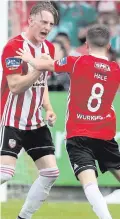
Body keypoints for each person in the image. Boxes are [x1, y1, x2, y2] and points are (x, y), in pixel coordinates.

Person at [16, 24, 120, 219]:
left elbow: (44, 66)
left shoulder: (77, 62)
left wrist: (30, 58)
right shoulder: (115, 69)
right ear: (108, 47)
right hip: (105, 134)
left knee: (90, 185)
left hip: (78, 135)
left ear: (86, 44)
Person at [0, 2, 59, 219]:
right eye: (43, 22)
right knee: (5, 174)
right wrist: (37, 68)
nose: (47, 27)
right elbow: (15, 86)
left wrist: (49, 107)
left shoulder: (49, 48)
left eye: (51, 24)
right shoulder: (13, 47)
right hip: (12, 119)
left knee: (51, 172)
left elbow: (42, 84)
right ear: (31, 19)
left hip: (35, 121)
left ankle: (23, 217)